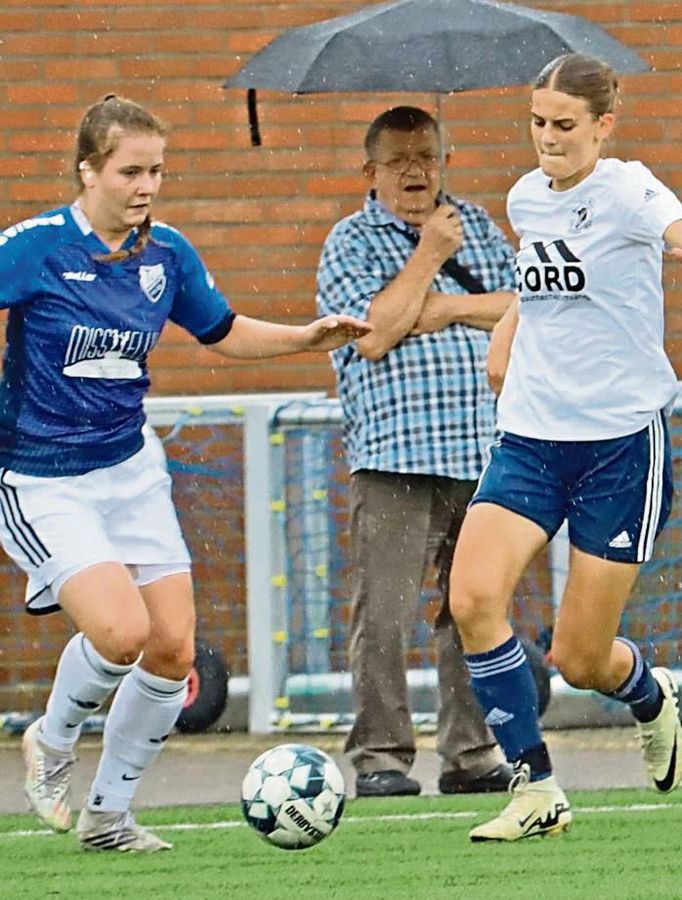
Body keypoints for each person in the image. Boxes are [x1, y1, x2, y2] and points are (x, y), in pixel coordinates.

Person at [1, 94, 370, 853]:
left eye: (157, 171)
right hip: (44, 478)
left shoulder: (164, 253)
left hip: (131, 469)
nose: (145, 186)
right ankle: (53, 738)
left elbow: (223, 330)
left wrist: (307, 336)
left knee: (170, 649)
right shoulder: (34, 249)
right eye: (130, 171)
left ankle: (108, 817)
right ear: (88, 171)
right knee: (121, 631)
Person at [449, 52, 682, 842]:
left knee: (580, 662)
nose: (547, 139)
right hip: (532, 436)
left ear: (603, 126)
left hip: (619, 446)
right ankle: (535, 786)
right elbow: (539, 285)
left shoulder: (629, 190)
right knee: (473, 597)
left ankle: (652, 697)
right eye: (537, 123)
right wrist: (509, 331)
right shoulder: (526, 197)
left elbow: (675, 234)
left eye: (564, 126)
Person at [317, 105, 517, 798]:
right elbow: (372, 335)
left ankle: (472, 750)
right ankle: (380, 756)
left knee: (474, 605)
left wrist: (443, 307)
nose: (415, 171)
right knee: (386, 613)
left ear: (445, 162)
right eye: (399, 160)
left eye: (427, 157)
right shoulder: (350, 239)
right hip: (396, 454)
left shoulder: (480, 225)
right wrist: (428, 256)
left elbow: (522, 308)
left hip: (483, 448)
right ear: (369, 171)